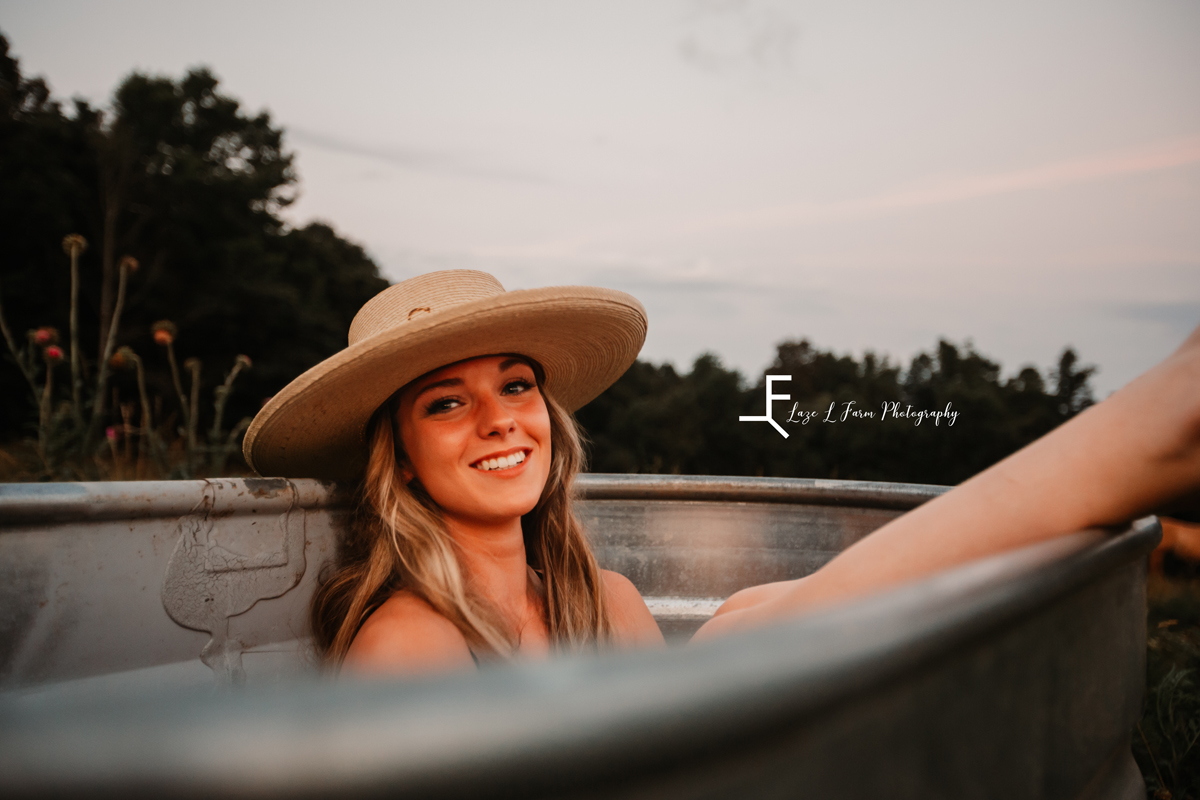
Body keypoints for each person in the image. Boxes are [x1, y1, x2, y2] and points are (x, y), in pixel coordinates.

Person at [244, 269, 1200, 674]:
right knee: (757, 628)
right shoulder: (407, 643)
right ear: (401, 464)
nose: (501, 418)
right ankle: (1150, 435)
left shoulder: (603, 600)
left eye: (518, 384)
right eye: (445, 402)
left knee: (750, 614)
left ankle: (1145, 445)